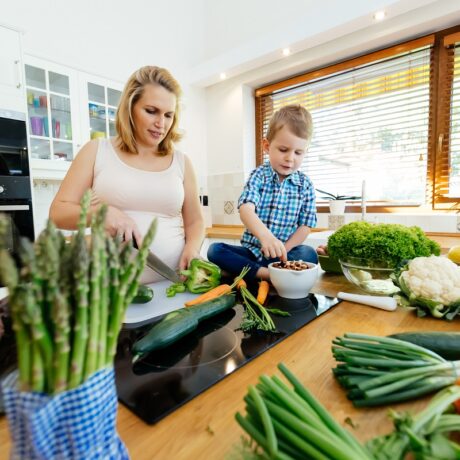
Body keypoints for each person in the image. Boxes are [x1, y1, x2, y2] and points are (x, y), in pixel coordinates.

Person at [49, 66, 204, 283]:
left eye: (169, 115)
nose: (161, 124)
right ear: (130, 108)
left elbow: (195, 221)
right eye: (151, 111)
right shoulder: (96, 151)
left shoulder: (181, 162)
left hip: (171, 284)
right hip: (109, 290)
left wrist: (192, 248)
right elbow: (58, 213)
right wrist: (100, 213)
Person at [207, 104, 318, 282]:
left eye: (298, 152)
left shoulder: (305, 185)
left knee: (308, 253)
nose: (290, 158)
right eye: (283, 150)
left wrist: (284, 250)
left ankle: (253, 272)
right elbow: (246, 209)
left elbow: (305, 227)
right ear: (267, 146)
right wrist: (266, 238)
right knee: (215, 250)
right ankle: (265, 274)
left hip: (283, 256)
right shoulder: (259, 175)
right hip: (252, 252)